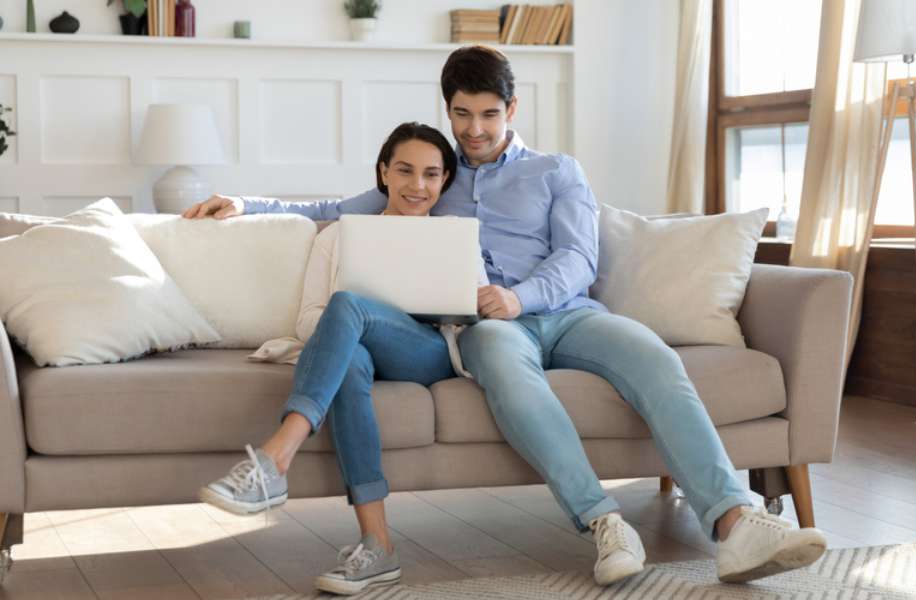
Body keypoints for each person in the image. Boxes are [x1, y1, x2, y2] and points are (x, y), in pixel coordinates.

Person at [185, 45, 827, 586]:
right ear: (449, 111)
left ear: (512, 110)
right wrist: (244, 201)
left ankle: (734, 523)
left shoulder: (556, 171)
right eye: (462, 114)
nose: (475, 130)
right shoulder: (431, 173)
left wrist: (523, 295)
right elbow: (334, 206)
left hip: (568, 313)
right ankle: (605, 524)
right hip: (489, 331)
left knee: (656, 360)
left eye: (488, 115)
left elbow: (579, 256)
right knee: (513, 378)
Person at [195, 122, 475, 596]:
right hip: (356, 354)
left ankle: (275, 457)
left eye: (431, 174)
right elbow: (308, 321)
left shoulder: (454, 237)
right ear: (384, 172)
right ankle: (378, 546)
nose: (418, 185)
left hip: (426, 352)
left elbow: (467, 320)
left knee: (348, 304)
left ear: (445, 180)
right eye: (405, 170)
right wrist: (356, 325)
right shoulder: (339, 237)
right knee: (346, 349)